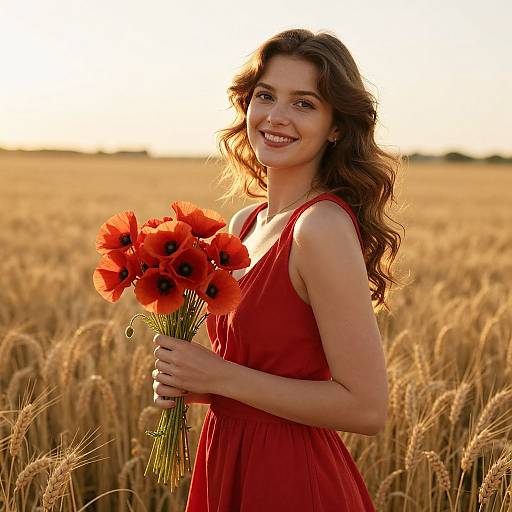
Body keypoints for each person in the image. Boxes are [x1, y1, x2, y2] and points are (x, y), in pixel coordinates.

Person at [152, 28, 403, 511]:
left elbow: (367, 408)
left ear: (335, 126)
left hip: (290, 479)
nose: (277, 117)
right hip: (228, 456)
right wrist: (195, 381)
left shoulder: (320, 227)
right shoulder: (245, 223)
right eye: (265, 95)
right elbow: (259, 375)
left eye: (304, 103)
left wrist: (220, 376)